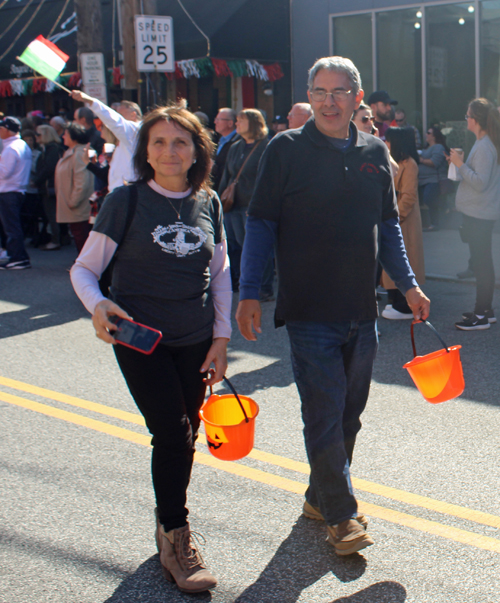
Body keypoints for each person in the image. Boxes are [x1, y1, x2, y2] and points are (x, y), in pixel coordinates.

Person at [235, 56, 430, 556]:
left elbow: (388, 226)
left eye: (339, 91)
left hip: (360, 310)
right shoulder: (285, 149)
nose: (328, 100)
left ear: (357, 98)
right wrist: (250, 291)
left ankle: (319, 497)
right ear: (310, 95)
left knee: (348, 415)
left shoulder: (373, 151)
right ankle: (341, 518)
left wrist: (407, 286)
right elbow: (260, 223)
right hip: (307, 310)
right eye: (319, 91)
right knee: (323, 412)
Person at [70, 103, 231, 593]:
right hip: (141, 339)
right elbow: (83, 270)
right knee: (173, 431)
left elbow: (220, 274)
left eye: (179, 142)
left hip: (197, 338)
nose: (169, 151)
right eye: (158, 142)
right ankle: (177, 537)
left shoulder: (209, 202)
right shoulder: (127, 201)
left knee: (188, 434)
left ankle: (166, 524)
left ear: (197, 150)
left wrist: (221, 338)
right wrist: (98, 305)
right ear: (145, 151)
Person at [450, 98, 500, 330]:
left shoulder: (484, 146)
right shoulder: (485, 143)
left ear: (477, 120)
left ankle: (481, 314)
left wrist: (460, 164)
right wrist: (460, 164)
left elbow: (480, 183)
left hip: (480, 214)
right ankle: (485, 311)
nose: (466, 119)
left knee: (482, 265)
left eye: (468, 116)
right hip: (479, 213)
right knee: (483, 264)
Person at [219, 109, 272, 299]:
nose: (237, 124)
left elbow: (267, 179)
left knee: (256, 247)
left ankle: (264, 287)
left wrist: (260, 205)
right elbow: (228, 175)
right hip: (233, 206)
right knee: (234, 246)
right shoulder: (235, 146)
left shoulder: (266, 146)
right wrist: (220, 201)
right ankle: (239, 282)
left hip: (253, 206)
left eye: (241, 120)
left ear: (254, 123)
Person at [381, 127, 425, 319]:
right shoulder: (394, 161)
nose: (386, 143)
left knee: (405, 258)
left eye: (389, 140)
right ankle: (395, 300)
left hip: (402, 218)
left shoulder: (410, 164)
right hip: (394, 215)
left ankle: (404, 305)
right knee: (393, 258)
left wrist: (394, 216)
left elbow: (408, 196)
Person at [71, 91, 141, 192]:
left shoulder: (134, 131)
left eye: (120, 115)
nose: (116, 117)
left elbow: (115, 121)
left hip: (127, 195)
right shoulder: (124, 138)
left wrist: (90, 101)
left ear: (133, 115)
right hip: (120, 195)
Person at [54, 123, 94, 253]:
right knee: (79, 236)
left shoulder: (79, 153)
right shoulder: (72, 151)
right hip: (73, 204)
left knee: (82, 236)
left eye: (66, 134)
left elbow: (82, 180)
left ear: (74, 137)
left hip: (79, 205)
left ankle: (86, 268)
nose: (63, 136)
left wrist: (74, 201)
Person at [0, 116, 32, 270]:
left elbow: (3, 173)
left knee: (11, 228)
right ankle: (19, 257)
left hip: (9, 192)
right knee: (13, 226)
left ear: (6, 129)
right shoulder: (21, 145)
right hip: (17, 191)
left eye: (1, 128)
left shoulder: (12, 147)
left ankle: (17, 257)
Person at [34, 125, 64, 250]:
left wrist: (37, 180)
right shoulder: (48, 148)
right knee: (52, 215)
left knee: (52, 215)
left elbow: (49, 168)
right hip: (49, 186)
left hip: (50, 187)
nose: (36, 137)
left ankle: (56, 240)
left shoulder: (52, 149)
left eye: (38, 134)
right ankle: (61, 238)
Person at [418, 126, 448, 231]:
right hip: (421, 181)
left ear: (434, 136)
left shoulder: (438, 147)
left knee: (429, 199)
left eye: (428, 132)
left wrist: (420, 160)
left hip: (433, 180)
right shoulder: (425, 149)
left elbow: (435, 162)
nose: (426, 134)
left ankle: (435, 223)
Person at [211, 107, 238, 193]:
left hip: (228, 191)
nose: (215, 122)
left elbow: (230, 169)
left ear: (230, 123)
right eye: (216, 119)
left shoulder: (237, 142)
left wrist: (212, 167)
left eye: (219, 119)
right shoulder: (220, 140)